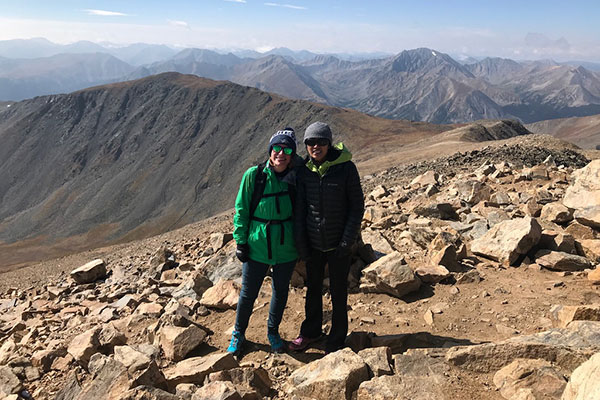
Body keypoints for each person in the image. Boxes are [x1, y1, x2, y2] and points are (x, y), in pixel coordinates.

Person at [290, 121, 364, 354]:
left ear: (329, 143)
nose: (316, 146)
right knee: (312, 290)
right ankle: (310, 333)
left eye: (321, 141)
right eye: (311, 142)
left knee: (339, 292)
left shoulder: (346, 168)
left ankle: (337, 339)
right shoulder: (304, 171)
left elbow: (356, 206)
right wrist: (302, 245)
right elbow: (300, 210)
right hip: (313, 244)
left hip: (338, 244)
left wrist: (346, 242)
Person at [228, 128, 299, 356]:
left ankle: (273, 333)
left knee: (280, 292)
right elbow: (241, 209)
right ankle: (238, 335)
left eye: (287, 149)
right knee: (248, 293)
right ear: (269, 151)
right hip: (257, 244)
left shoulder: (297, 177)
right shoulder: (254, 175)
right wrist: (240, 241)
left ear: (292, 154)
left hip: (286, 246)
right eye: (277, 148)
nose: (281, 153)